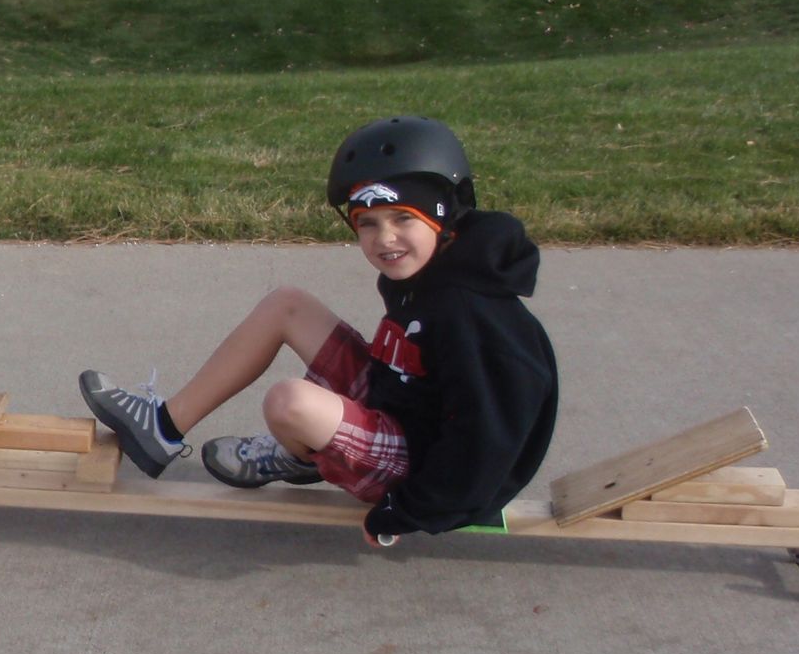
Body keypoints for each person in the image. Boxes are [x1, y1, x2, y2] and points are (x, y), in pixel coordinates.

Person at [79, 117, 557, 545]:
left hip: (426, 470)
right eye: (366, 223)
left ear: (444, 217)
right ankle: (161, 428)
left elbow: (490, 434)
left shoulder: (473, 313)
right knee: (287, 304)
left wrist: (409, 510)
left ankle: (305, 453)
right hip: (403, 412)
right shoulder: (427, 273)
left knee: (289, 402)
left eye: (402, 219)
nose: (384, 239)